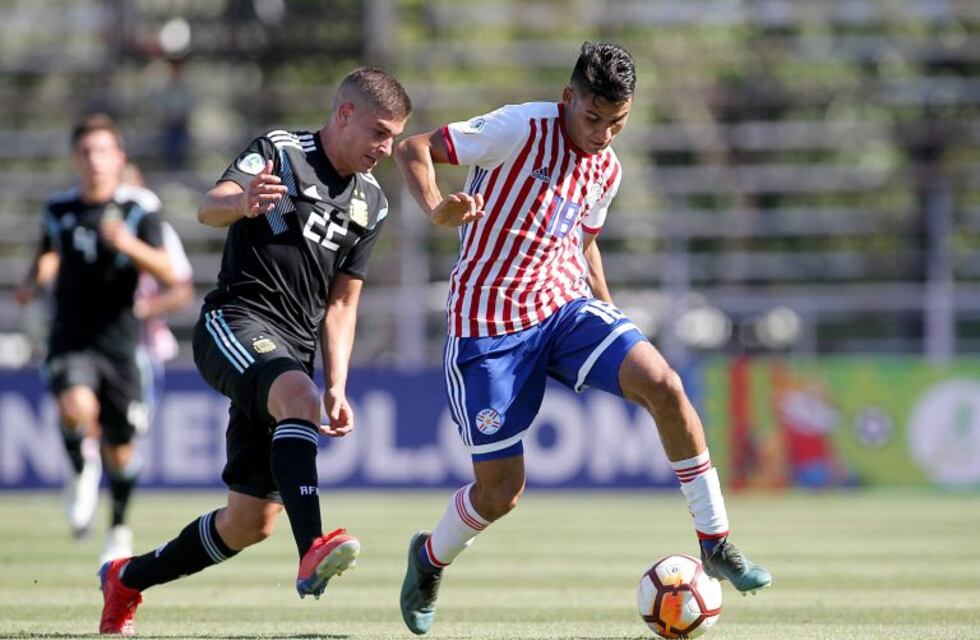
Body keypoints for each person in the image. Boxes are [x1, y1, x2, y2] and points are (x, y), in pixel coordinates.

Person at [393, 42, 772, 635]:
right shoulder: (520, 127)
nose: (601, 134)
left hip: (564, 307)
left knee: (664, 384)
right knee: (500, 493)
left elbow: (583, 240)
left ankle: (715, 540)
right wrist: (439, 206)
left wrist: (610, 312)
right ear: (568, 98)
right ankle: (429, 557)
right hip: (488, 326)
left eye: (617, 123)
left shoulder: (608, 167)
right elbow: (413, 147)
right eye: (592, 119)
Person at [97, 67, 412, 636]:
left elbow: (342, 303)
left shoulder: (372, 202)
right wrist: (242, 199)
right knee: (297, 397)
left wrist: (338, 382)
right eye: (380, 133)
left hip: (291, 353)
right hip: (234, 322)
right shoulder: (282, 151)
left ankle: (126, 579)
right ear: (343, 114)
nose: (385, 149)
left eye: (393, 137)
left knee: (248, 523)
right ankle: (313, 544)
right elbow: (207, 207)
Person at [15, 114, 176, 563]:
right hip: (70, 336)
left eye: (103, 151)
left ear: (119, 157)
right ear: (75, 159)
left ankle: (119, 528)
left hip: (123, 346)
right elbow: (48, 253)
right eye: (86, 152)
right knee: (76, 407)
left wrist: (126, 244)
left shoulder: (139, 208)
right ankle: (79, 466)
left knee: (121, 452)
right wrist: (32, 282)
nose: (94, 161)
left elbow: (169, 274)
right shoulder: (59, 209)